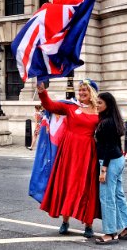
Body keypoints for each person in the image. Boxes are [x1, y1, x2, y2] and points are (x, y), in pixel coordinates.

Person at [36, 79, 100, 238]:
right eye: (80, 90)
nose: (82, 93)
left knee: (87, 187)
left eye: (85, 90)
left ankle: (88, 224)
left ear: (92, 92)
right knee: (67, 184)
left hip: (88, 153)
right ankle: (65, 221)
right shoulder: (70, 106)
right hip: (69, 151)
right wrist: (42, 92)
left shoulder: (99, 110)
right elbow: (50, 106)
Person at [95, 92, 127, 245]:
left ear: (108, 104)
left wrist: (104, 169)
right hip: (118, 159)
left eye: (100, 103)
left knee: (107, 198)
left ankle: (110, 233)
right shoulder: (112, 120)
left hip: (110, 161)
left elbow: (108, 147)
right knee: (118, 195)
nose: (97, 105)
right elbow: (115, 145)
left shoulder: (107, 122)